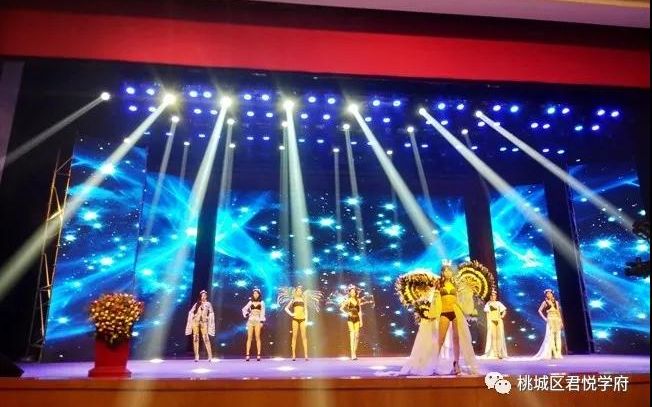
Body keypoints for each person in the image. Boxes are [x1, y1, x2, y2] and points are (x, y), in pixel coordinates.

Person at [278, 286, 322, 361]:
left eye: (300, 291)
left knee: (304, 337)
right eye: (298, 291)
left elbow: (306, 310)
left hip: (302, 319)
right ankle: (293, 355)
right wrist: (291, 314)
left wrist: (306, 320)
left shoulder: (304, 299)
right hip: (295, 319)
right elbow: (286, 308)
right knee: (294, 336)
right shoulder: (293, 299)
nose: (299, 292)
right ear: (295, 292)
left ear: (301, 292)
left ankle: (306, 355)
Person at [184, 290, 215, 362]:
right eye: (202, 295)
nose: (203, 297)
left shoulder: (208, 304)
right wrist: (193, 315)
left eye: (204, 295)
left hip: (203, 322)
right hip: (195, 322)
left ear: (206, 296)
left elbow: (211, 313)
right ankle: (196, 356)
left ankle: (210, 355)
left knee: (206, 338)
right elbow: (191, 311)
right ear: (200, 296)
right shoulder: (197, 303)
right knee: (195, 338)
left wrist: (208, 317)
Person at [535, 289, 564, 359]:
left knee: (558, 336)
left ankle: (559, 353)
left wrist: (561, 321)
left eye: (550, 293)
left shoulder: (556, 302)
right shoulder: (545, 302)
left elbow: (558, 312)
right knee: (551, 337)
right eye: (547, 294)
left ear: (552, 294)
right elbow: (539, 310)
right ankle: (554, 353)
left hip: (556, 319)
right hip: (550, 319)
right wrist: (545, 318)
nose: (549, 295)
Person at [339, 285, 364, 360]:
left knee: (357, 336)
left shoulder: (358, 300)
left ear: (356, 293)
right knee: (352, 335)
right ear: (349, 293)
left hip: (357, 319)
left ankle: (354, 352)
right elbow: (341, 308)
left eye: (354, 292)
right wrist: (347, 313)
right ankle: (352, 354)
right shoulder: (348, 300)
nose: (353, 293)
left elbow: (360, 311)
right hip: (350, 319)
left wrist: (361, 321)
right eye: (351, 292)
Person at [482, 290, 508, 359]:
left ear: (496, 296)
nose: (493, 297)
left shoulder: (498, 303)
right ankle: (495, 353)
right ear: (490, 297)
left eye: (494, 295)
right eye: (492, 296)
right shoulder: (488, 304)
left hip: (498, 321)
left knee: (499, 337)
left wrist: (502, 316)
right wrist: (489, 322)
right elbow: (487, 313)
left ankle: (499, 353)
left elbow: (504, 310)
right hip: (492, 321)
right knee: (494, 337)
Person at [242, 288, 266, 361]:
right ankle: (247, 355)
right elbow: (244, 309)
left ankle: (258, 354)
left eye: (257, 293)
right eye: (254, 293)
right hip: (250, 321)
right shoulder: (250, 302)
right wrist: (247, 314)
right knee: (249, 337)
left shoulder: (262, 302)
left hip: (258, 321)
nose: (255, 295)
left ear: (259, 294)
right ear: (253, 294)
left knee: (257, 337)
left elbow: (263, 312)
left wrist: (262, 322)